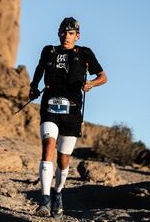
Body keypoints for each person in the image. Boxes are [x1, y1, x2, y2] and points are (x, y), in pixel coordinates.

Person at [29, 17, 107, 218]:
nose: (66, 36)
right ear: (58, 33)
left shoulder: (84, 53)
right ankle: (44, 201)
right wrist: (33, 87)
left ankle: (58, 194)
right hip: (49, 106)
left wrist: (91, 84)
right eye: (63, 32)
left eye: (71, 33)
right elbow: (39, 69)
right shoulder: (49, 51)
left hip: (72, 111)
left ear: (77, 36)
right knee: (48, 147)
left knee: (64, 159)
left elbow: (103, 77)